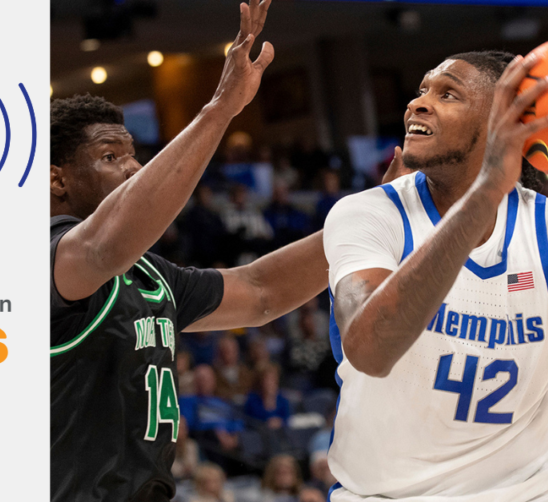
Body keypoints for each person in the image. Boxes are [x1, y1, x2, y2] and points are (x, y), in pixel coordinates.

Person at [324, 45, 548, 501]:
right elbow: (370, 350)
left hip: (531, 491)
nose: (418, 102)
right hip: (382, 494)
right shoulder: (368, 214)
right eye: (422, 90)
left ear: (506, 119)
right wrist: (489, 189)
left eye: (448, 94)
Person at [49, 2, 329, 501]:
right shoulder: (45, 256)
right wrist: (220, 108)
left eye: (134, 153)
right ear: (56, 179)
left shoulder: (148, 275)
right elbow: (104, 243)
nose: (133, 168)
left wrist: (372, 218)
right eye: (111, 157)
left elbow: (261, 291)